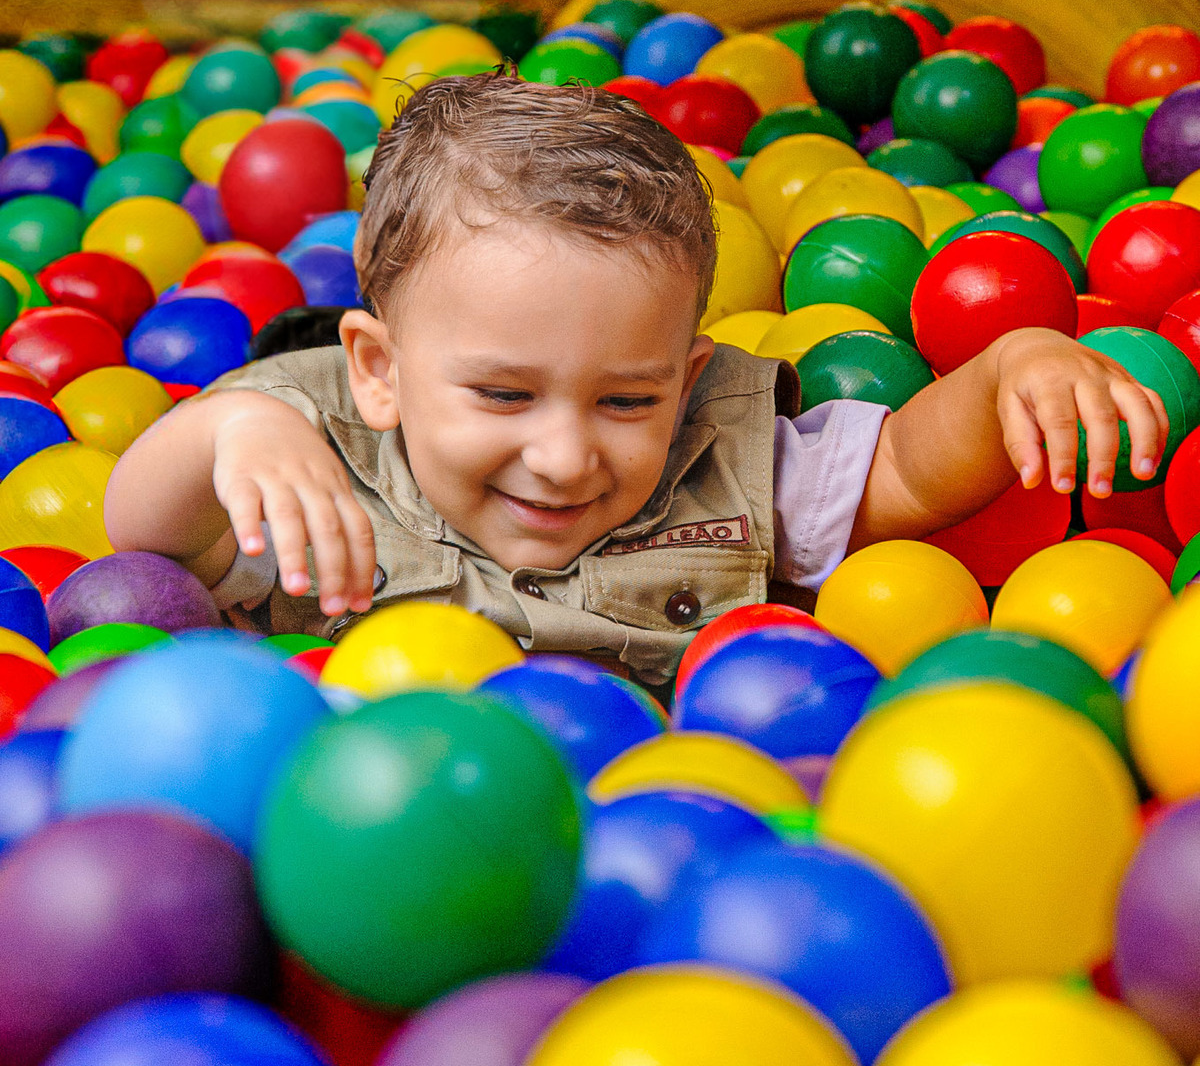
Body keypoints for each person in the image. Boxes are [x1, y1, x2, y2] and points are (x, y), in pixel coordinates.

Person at [105, 74, 1168, 686]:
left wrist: (1006, 370)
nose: (566, 456)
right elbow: (147, 545)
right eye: (504, 396)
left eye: (626, 400)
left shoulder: (723, 458)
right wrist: (228, 428)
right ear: (380, 372)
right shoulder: (310, 470)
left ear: (686, 376)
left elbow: (904, 475)